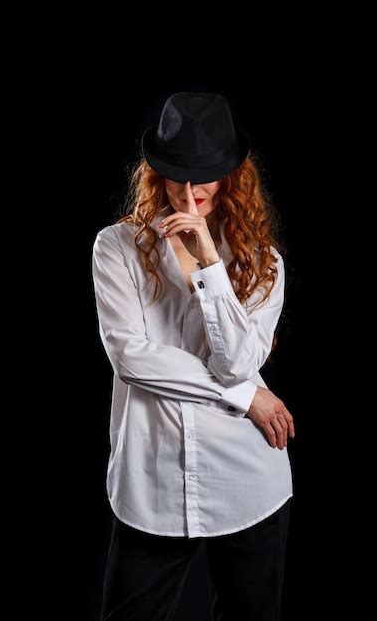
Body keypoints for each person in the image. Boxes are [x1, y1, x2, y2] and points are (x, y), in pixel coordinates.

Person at [92, 92, 295, 621]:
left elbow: (237, 360)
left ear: (230, 175)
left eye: (203, 174)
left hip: (247, 482)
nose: (189, 190)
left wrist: (209, 262)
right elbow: (131, 357)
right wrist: (248, 394)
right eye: (177, 173)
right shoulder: (116, 248)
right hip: (150, 485)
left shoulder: (263, 262)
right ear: (156, 173)